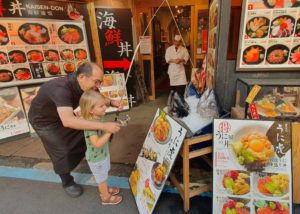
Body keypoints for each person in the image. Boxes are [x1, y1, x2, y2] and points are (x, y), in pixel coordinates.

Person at [28, 62, 121, 198]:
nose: (98, 86)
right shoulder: (60, 88)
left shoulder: (88, 86)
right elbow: (68, 121)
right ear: (82, 76)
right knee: (62, 150)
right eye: (97, 82)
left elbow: (97, 99)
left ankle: (93, 161)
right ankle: (67, 181)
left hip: (63, 115)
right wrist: (104, 126)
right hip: (44, 120)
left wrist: (112, 102)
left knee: (88, 135)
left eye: (100, 82)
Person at [80, 90, 122, 205]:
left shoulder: (98, 116)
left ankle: (105, 190)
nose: (105, 107)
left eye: (104, 104)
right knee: (101, 179)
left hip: (102, 154)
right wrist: (109, 132)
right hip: (96, 158)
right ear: (91, 110)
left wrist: (116, 110)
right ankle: (105, 197)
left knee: (104, 175)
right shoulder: (90, 125)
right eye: (101, 106)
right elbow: (96, 143)